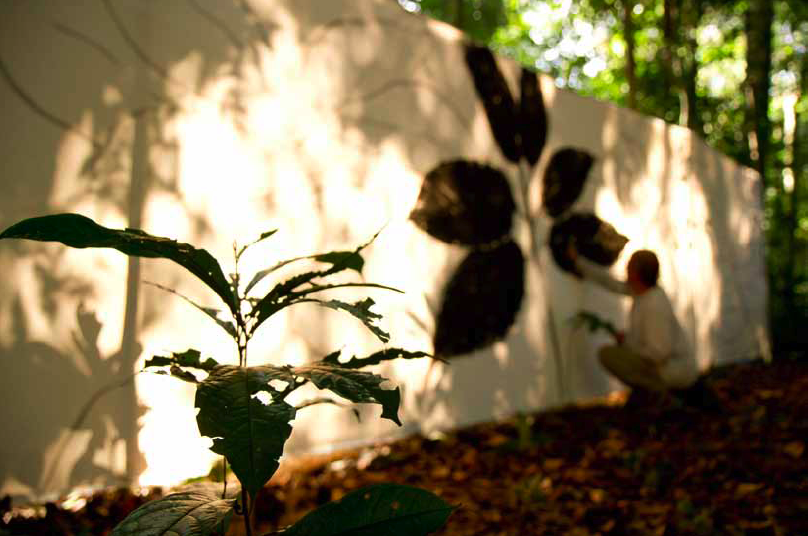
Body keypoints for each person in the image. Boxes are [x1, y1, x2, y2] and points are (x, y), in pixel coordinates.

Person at [569, 246, 703, 407]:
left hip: (674, 370)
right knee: (613, 355)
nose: (626, 269)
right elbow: (610, 283)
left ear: (638, 273)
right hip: (665, 366)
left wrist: (628, 344)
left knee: (609, 356)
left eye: (630, 266)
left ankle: (660, 394)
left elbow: (659, 353)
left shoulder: (654, 304)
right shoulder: (642, 292)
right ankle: (654, 393)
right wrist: (579, 262)